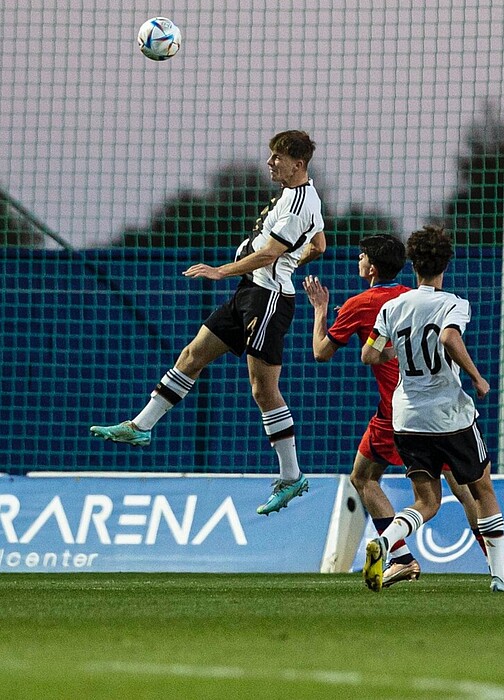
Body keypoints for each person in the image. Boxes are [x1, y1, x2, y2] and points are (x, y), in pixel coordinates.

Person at [90, 130, 326, 516]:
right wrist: (296, 260)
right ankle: (141, 425)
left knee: (263, 390)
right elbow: (320, 245)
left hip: (268, 299)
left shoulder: (301, 201)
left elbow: (269, 254)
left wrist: (222, 271)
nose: (270, 163)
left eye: (277, 158)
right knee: (192, 354)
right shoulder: (293, 196)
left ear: (297, 164)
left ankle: (292, 476)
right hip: (249, 293)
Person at [303, 234, 486, 588]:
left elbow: (321, 352)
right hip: (440, 404)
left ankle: (399, 556)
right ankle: (496, 563)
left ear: (371, 267)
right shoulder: (412, 297)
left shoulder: (360, 304)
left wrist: (320, 310)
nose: (357, 261)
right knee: (466, 489)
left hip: (398, 411)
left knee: (365, 478)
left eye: (361, 256)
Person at [361, 224, 504, 593]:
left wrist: (399, 353)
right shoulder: (452, 303)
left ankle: (386, 541)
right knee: (482, 488)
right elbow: (448, 336)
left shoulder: (393, 307)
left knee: (426, 500)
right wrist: (477, 377)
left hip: (407, 416)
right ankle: (500, 574)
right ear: (445, 265)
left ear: (413, 265)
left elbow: (370, 354)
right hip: (449, 414)